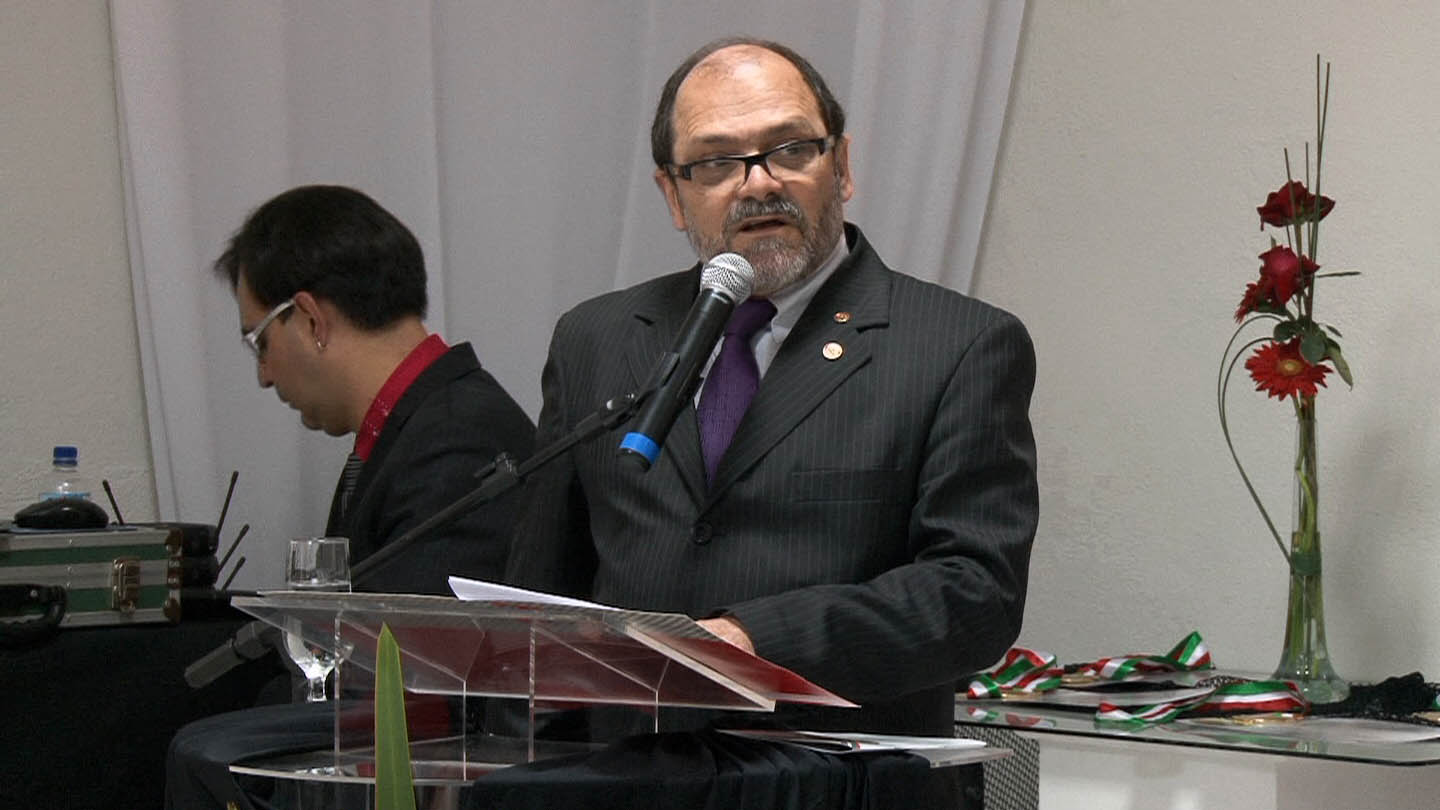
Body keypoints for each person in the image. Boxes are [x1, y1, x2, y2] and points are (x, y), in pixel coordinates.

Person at [505, 36, 1039, 745]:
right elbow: (544, 591)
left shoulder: (958, 344)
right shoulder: (597, 339)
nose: (757, 183)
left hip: (834, 776)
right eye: (716, 162)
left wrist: (749, 640)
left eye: (790, 150)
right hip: (626, 773)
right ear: (673, 195)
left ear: (840, 167)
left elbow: (975, 595)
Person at [216, 184, 536, 594]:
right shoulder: (415, 430)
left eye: (260, 342)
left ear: (311, 320)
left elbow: (414, 632)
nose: (264, 375)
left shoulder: (454, 446)